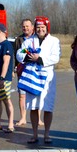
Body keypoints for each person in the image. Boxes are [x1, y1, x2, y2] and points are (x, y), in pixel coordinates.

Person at [16, 16, 61, 144]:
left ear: (47, 28)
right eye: (38, 27)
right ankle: (35, 134)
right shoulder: (29, 41)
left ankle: (46, 134)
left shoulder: (54, 41)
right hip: (32, 77)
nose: (40, 29)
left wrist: (39, 59)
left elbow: (55, 57)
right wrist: (28, 57)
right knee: (33, 106)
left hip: (47, 78)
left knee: (47, 106)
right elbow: (20, 53)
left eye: (43, 27)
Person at [14, 19, 44, 126]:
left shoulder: (39, 38)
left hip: (36, 71)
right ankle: (23, 118)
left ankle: (38, 118)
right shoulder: (19, 39)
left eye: (27, 26)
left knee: (37, 93)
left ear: (32, 27)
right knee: (22, 95)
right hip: (23, 70)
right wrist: (14, 67)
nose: (25, 28)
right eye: (23, 26)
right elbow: (17, 54)